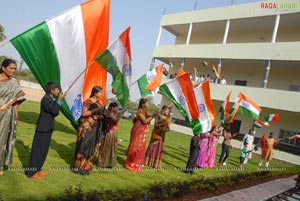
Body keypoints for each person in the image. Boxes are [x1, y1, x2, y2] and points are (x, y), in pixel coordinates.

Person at [26, 82, 66, 179]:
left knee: (43, 150)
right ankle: (31, 173)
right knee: (37, 150)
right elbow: (54, 111)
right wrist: (59, 100)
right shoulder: (45, 99)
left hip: (48, 128)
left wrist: (58, 102)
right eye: (57, 89)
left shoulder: (52, 99)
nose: (58, 91)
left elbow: (55, 113)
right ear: (52, 90)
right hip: (42, 128)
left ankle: (38, 169)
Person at [0, 59, 25, 176]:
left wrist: (16, 117)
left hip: (6, 116)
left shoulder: (14, 83)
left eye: (15, 68)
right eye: (11, 68)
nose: (13, 70)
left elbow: (15, 103)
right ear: (3, 67)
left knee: (1, 140)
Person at [72, 86, 105, 175]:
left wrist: (101, 116)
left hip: (95, 127)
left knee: (92, 146)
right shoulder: (88, 101)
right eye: (100, 92)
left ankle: (85, 167)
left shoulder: (100, 103)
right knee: (83, 145)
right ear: (95, 92)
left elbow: (101, 114)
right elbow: (84, 113)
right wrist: (96, 110)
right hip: (86, 126)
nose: (101, 94)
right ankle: (77, 166)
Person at [124, 98, 155, 173]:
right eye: (147, 103)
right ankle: (131, 163)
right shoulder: (140, 111)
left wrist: (152, 116)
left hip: (142, 132)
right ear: (142, 104)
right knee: (135, 147)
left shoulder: (145, 111)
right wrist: (152, 116)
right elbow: (145, 121)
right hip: (138, 131)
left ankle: (137, 164)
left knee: (141, 147)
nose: (148, 104)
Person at [98, 102, 124, 168]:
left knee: (112, 149)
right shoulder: (109, 113)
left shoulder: (114, 113)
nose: (117, 109)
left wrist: (120, 115)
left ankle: (110, 163)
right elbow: (116, 121)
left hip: (114, 133)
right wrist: (120, 115)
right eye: (116, 107)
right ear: (112, 107)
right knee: (106, 148)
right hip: (109, 133)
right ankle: (103, 163)